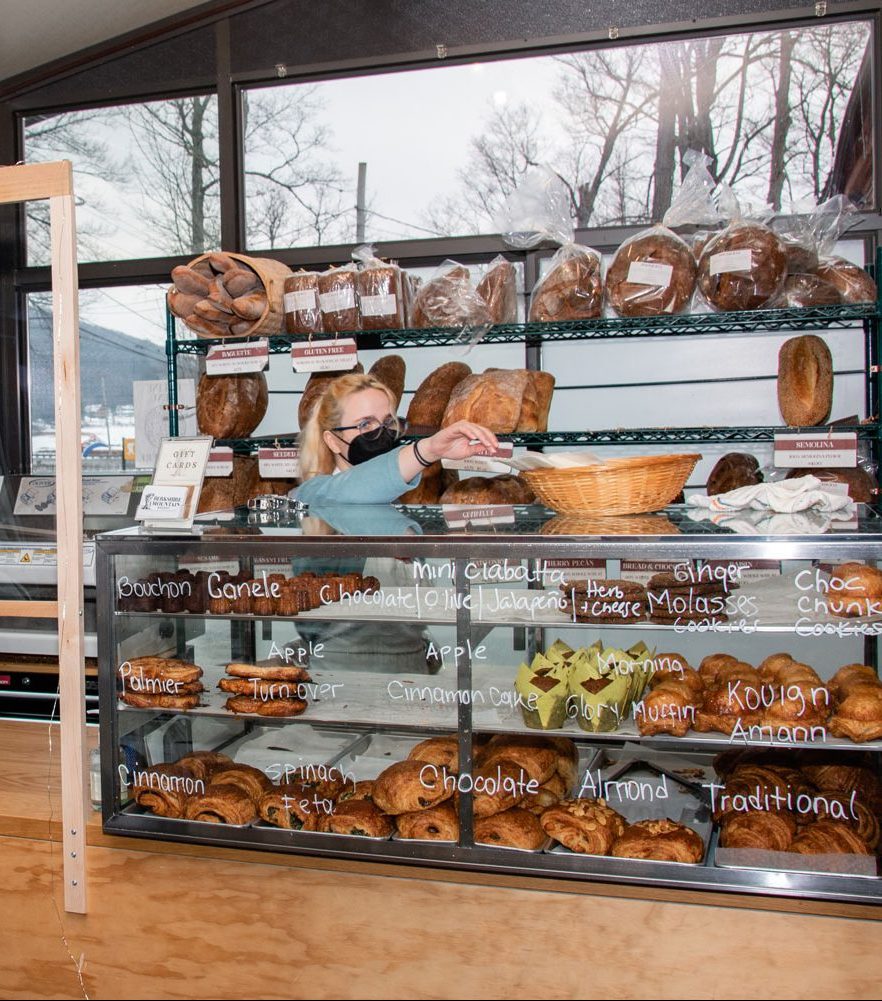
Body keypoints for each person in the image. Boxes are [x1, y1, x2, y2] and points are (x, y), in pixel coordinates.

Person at [294, 371, 498, 505]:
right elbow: (358, 487)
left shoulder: (394, 497)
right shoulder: (312, 494)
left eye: (388, 422)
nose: (381, 432)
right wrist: (430, 449)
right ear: (332, 440)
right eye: (365, 424)